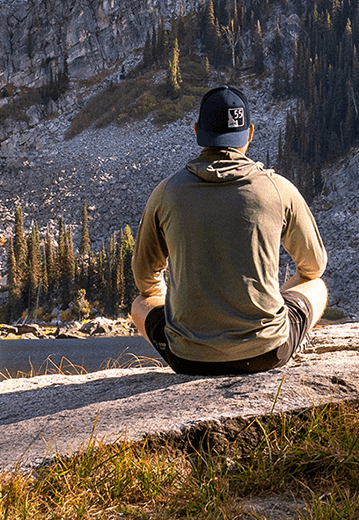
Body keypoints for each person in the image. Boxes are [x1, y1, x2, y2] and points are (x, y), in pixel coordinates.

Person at [130, 85, 328, 375]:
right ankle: (275, 329)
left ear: (197, 131)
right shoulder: (278, 189)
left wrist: (178, 311)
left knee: (139, 304)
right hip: (268, 353)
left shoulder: (166, 193)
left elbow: (145, 279)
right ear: (249, 133)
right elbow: (314, 266)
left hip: (188, 359)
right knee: (318, 285)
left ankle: (192, 341)